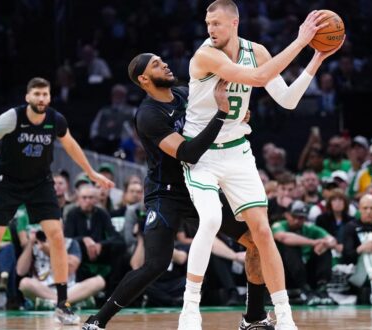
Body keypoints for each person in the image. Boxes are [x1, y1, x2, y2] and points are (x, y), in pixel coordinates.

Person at [179, 2, 343, 328]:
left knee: (263, 232)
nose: (211, 30)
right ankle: (190, 309)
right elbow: (258, 77)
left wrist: (317, 56)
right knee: (210, 219)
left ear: (235, 22)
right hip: (203, 154)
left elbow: (287, 100)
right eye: (208, 24)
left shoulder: (258, 51)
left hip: (238, 151)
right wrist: (300, 41)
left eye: (217, 24)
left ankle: (284, 317)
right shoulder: (206, 55)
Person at [82, 53, 272, 330]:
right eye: (156, 64)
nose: (165, 64)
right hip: (166, 193)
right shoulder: (148, 115)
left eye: (163, 60)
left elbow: (220, 111)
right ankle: (97, 321)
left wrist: (235, 115)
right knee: (156, 263)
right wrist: (221, 114)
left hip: (200, 185)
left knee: (256, 241)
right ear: (144, 79)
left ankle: (254, 317)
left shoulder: (185, 94)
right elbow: (188, 153)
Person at [0, 77, 114, 327]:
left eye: (45, 95)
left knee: (56, 235)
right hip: (7, 182)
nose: (42, 99)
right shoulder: (12, 118)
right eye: (37, 95)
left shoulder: (55, 119)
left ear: (50, 97)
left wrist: (92, 172)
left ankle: (62, 304)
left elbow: (71, 145)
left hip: (39, 183)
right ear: (27, 97)